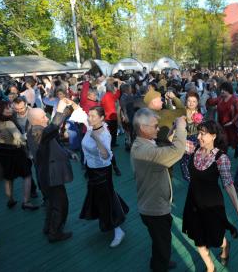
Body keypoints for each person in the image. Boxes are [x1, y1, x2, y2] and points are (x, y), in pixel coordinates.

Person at [182, 120, 238, 272]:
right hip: (193, 203)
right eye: (198, 133)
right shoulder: (193, 149)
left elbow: (228, 184)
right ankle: (210, 267)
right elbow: (172, 141)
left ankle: (225, 245)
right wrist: (177, 123)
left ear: (213, 136)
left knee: (215, 239)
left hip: (211, 205)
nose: (199, 137)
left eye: (203, 134)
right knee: (198, 239)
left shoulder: (221, 158)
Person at [131, 108, 186, 272]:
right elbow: (177, 151)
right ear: (143, 128)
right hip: (155, 209)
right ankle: (160, 265)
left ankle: (161, 260)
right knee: (162, 242)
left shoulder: (143, 144)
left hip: (153, 204)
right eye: (155, 126)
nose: (157, 128)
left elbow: (162, 148)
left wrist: (173, 132)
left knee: (160, 240)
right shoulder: (145, 151)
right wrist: (181, 127)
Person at [27, 99, 75, 242]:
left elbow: (54, 142)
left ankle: (48, 227)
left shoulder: (39, 130)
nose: (46, 118)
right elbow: (53, 127)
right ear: (35, 120)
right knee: (60, 205)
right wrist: (60, 110)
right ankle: (55, 233)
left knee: (51, 203)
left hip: (47, 176)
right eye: (43, 117)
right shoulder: (37, 131)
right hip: (50, 176)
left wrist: (68, 153)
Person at [79, 106, 128, 247]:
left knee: (105, 199)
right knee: (104, 195)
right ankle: (119, 211)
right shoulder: (91, 126)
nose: (90, 118)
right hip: (91, 170)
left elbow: (106, 155)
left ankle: (118, 230)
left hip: (102, 172)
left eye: (93, 116)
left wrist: (96, 139)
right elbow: (79, 111)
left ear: (102, 118)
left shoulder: (104, 134)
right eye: (90, 115)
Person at [0, 101, 39, 210]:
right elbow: (19, 138)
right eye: (7, 108)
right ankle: (26, 202)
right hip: (14, 151)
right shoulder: (9, 123)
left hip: (2, 151)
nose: (10, 109)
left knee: (8, 177)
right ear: (1, 111)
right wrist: (26, 138)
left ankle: (10, 200)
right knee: (27, 175)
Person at [180, 91, 202, 181]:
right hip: (186, 139)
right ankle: (188, 177)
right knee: (184, 160)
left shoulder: (198, 112)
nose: (191, 103)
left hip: (196, 138)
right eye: (189, 101)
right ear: (186, 101)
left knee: (195, 158)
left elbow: (201, 127)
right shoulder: (182, 112)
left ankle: (195, 175)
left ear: (197, 103)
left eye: (194, 101)